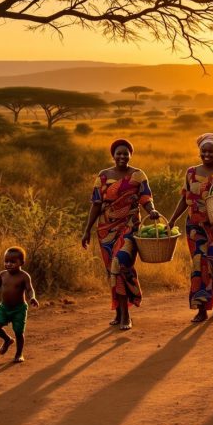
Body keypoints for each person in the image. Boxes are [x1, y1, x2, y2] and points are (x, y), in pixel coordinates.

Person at [81, 138, 160, 331]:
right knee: (112, 272)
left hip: (130, 226)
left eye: (126, 153)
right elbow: (96, 204)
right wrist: (87, 230)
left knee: (121, 263)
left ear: (130, 155)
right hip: (106, 230)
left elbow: (145, 197)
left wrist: (151, 210)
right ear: (113, 155)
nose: (122, 156)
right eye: (119, 153)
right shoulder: (103, 176)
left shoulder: (138, 175)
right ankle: (118, 310)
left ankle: (126, 314)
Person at [167, 132, 213, 323]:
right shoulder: (191, 172)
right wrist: (173, 219)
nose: (207, 154)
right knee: (199, 265)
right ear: (199, 152)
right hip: (195, 226)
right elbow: (185, 198)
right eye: (203, 151)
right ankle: (201, 308)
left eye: (211, 151)